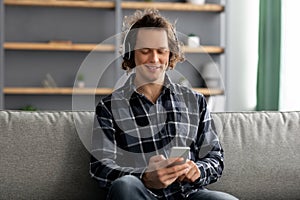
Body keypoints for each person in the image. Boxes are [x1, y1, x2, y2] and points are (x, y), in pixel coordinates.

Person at [90, 9, 238, 200]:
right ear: (131, 54)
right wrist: (144, 176)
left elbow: (215, 158)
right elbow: (100, 168)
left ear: (170, 55)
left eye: (161, 51)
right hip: (141, 192)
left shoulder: (195, 101)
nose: (154, 59)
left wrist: (198, 170)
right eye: (145, 51)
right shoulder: (109, 107)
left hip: (188, 194)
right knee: (125, 185)